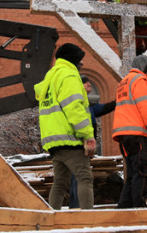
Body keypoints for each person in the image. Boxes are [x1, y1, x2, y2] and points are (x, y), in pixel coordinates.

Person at [35, 43, 96, 210]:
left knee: (60, 182)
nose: (81, 65)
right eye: (80, 61)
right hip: (70, 138)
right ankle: (88, 220)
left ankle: (52, 218)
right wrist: (87, 135)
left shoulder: (51, 76)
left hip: (54, 140)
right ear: (73, 60)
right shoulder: (69, 76)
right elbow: (74, 108)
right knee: (84, 178)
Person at [112, 55, 147, 208]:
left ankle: (124, 209)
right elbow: (146, 110)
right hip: (137, 136)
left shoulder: (125, 81)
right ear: (143, 66)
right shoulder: (139, 80)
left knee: (133, 175)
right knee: (142, 173)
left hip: (124, 136)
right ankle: (139, 209)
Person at [69, 76, 115, 209]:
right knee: (79, 177)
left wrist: (118, 102)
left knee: (78, 177)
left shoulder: (87, 105)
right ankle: (77, 208)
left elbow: (102, 108)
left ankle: (76, 207)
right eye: (85, 82)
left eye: (89, 82)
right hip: (78, 145)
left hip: (85, 147)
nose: (89, 84)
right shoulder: (78, 102)